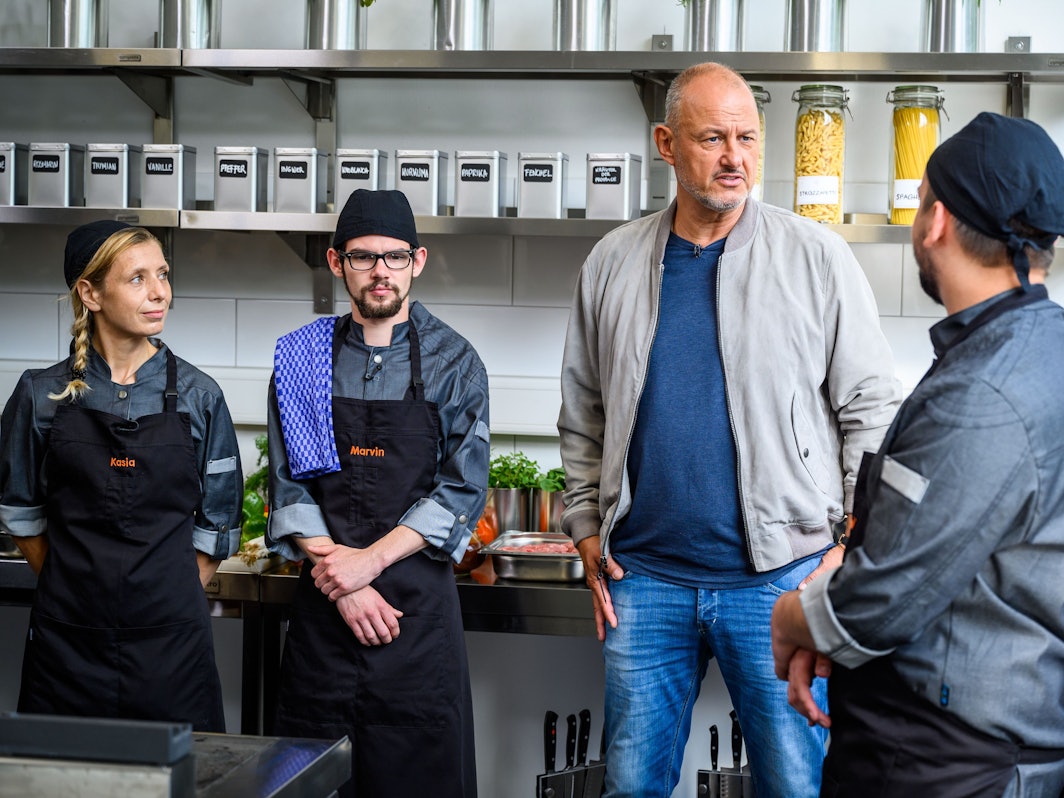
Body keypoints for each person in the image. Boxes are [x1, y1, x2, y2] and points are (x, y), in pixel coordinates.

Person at [557, 61, 902, 798]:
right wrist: (586, 530)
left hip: (780, 580)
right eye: (712, 137)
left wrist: (849, 545)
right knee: (631, 786)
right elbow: (584, 412)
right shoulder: (612, 262)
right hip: (643, 581)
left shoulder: (815, 257)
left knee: (796, 785)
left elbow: (872, 410)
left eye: (747, 138)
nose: (734, 157)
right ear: (667, 144)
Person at [771, 112, 1064, 797]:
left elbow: (882, 601)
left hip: (946, 761)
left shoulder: (984, 391)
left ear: (935, 221)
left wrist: (794, 617)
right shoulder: (1035, 348)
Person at [266, 188, 490, 798]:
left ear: (417, 261)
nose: (380, 271)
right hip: (325, 615)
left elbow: (461, 490)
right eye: (363, 257)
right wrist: (345, 584)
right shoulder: (302, 358)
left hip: (416, 624)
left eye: (394, 257)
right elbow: (289, 485)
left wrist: (366, 565)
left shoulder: (454, 362)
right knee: (314, 781)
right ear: (337, 262)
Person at [0, 220, 242, 732]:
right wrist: (75, 592)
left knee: (182, 771)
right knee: (65, 770)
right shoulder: (40, 395)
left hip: (171, 646)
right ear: (90, 293)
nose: (159, 293)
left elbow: (218, 522)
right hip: (68, 645)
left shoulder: (200, 397)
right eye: (137, 278)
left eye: (163, 274)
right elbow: (20, 510)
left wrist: (163, 602)